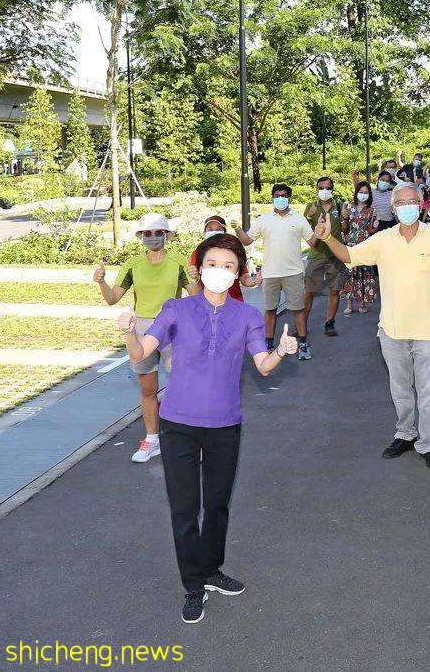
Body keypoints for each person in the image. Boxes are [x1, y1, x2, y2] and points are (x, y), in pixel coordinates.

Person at [116, 232, 297, 624]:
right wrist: (129, 330)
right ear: (199, 269)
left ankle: (212, 569)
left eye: (229, 266)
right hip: (178, 423)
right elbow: (140, 353)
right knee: (185, 509)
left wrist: (282, 351)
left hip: (225, 424)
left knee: (216, 505)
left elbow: (262, 365)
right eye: (213, 264)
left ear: (239, 273)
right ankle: (193, 585)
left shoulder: (248, 316)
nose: (220, 271)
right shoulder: (176, 309)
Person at [316, 184, 430, 469]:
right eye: (401, 202)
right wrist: (328, 238)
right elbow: (349, 256)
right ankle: (405, 434)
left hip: (428, 329)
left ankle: (429, 442)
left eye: (412, 201)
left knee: (429, 391)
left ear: (420, 205)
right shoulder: (382, 239)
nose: (406, 205)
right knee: (400, 388)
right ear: (393, 208)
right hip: (392, 330)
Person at [95, 213, 195, 463]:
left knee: (181, 387)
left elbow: (196, 298)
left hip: (173, 327)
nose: (153, 237)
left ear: (167, 235)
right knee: (147, 389)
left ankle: (183, 437)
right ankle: (152, 439)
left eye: (158, 232)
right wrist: (101, 282)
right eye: (148, 233)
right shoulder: (132, 264)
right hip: (142, 329)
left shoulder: (179, 261)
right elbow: (112, 299)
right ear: (140, 236)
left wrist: (197, 278)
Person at [233, 183, 322, 361]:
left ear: (289, 198)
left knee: (298, 310)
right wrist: (237, 228)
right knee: (270, 310)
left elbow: (312, 243)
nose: (280, 198)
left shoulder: (298, 219)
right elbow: (246, 241)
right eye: (277, 195)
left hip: (294, 272)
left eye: (283, 195)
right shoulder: (264, 220)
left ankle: (303, 343)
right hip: (270, 274)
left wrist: (319, 232)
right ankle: (268, 344)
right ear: (272, 197)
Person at [301, 177, 349, 337]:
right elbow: (305, 232)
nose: (324, 191)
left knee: (334, 290)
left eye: (327, 187)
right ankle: (302, 325)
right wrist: (309, 216)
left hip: (335, 254)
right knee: (309, 292)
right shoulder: (311, 207)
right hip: (316, 254)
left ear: (332, 189)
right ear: (316, 189)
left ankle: (330, 322)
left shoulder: (340, 205)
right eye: (321, 188)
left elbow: (346, 230)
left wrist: (345, 217)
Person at [188, 215, 261, 302]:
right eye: (210, 229)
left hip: (234, 302)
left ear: (225, 232)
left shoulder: (235, 251)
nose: (214, 232)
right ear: (205, 233)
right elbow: (194, 291)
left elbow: (245, 278)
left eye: (218, 229)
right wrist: (194, 279)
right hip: (206, 305)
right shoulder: (198, 253)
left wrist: (255, 281)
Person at [341, 181, 380, 314]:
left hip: (365, 243)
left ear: (369, 195)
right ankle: (349, 304)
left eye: (366, 193)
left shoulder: (372, 210)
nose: (363, 195)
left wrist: (374, 226)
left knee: (364, 273)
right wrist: (344, 219)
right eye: (361, 192)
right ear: (356, 193)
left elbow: (371, 230)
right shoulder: (348, 207)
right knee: (350, 273)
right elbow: (344, 228)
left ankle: (362, 302)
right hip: (350, 243)